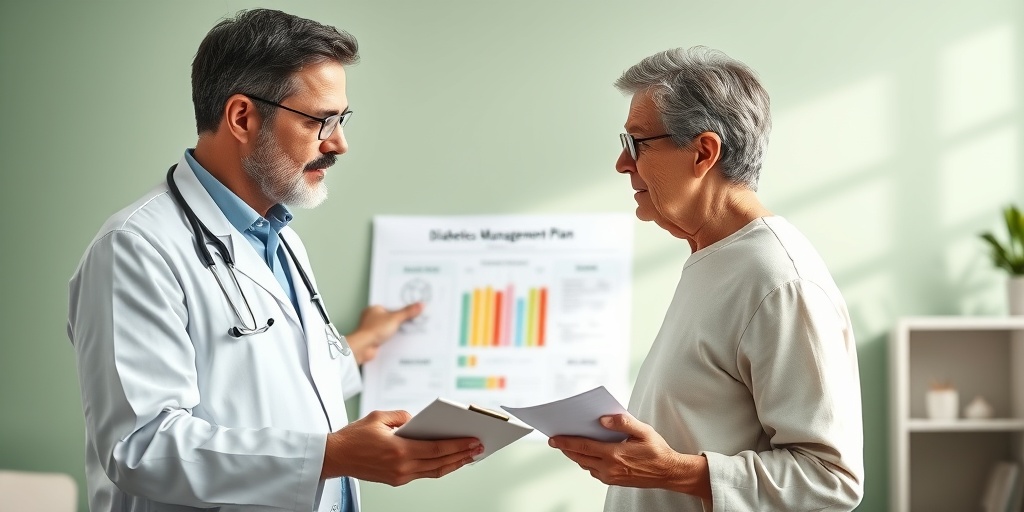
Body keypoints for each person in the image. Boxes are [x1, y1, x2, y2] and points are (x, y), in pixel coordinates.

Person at [66, 9, 481, 512]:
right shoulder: (136, 248)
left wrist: (362, 345)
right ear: (242, 117)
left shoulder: (277, 237)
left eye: (342, 119)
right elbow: (141, 449)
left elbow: (273, 378)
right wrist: (328, 457)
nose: (339, 143)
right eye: (320, 120)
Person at [548, 46, 864, 511]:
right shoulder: (715, 259)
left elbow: (830, 480)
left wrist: (672, 471)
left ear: (703, 151)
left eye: (638, 143)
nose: (621, 163)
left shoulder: (779, 279)